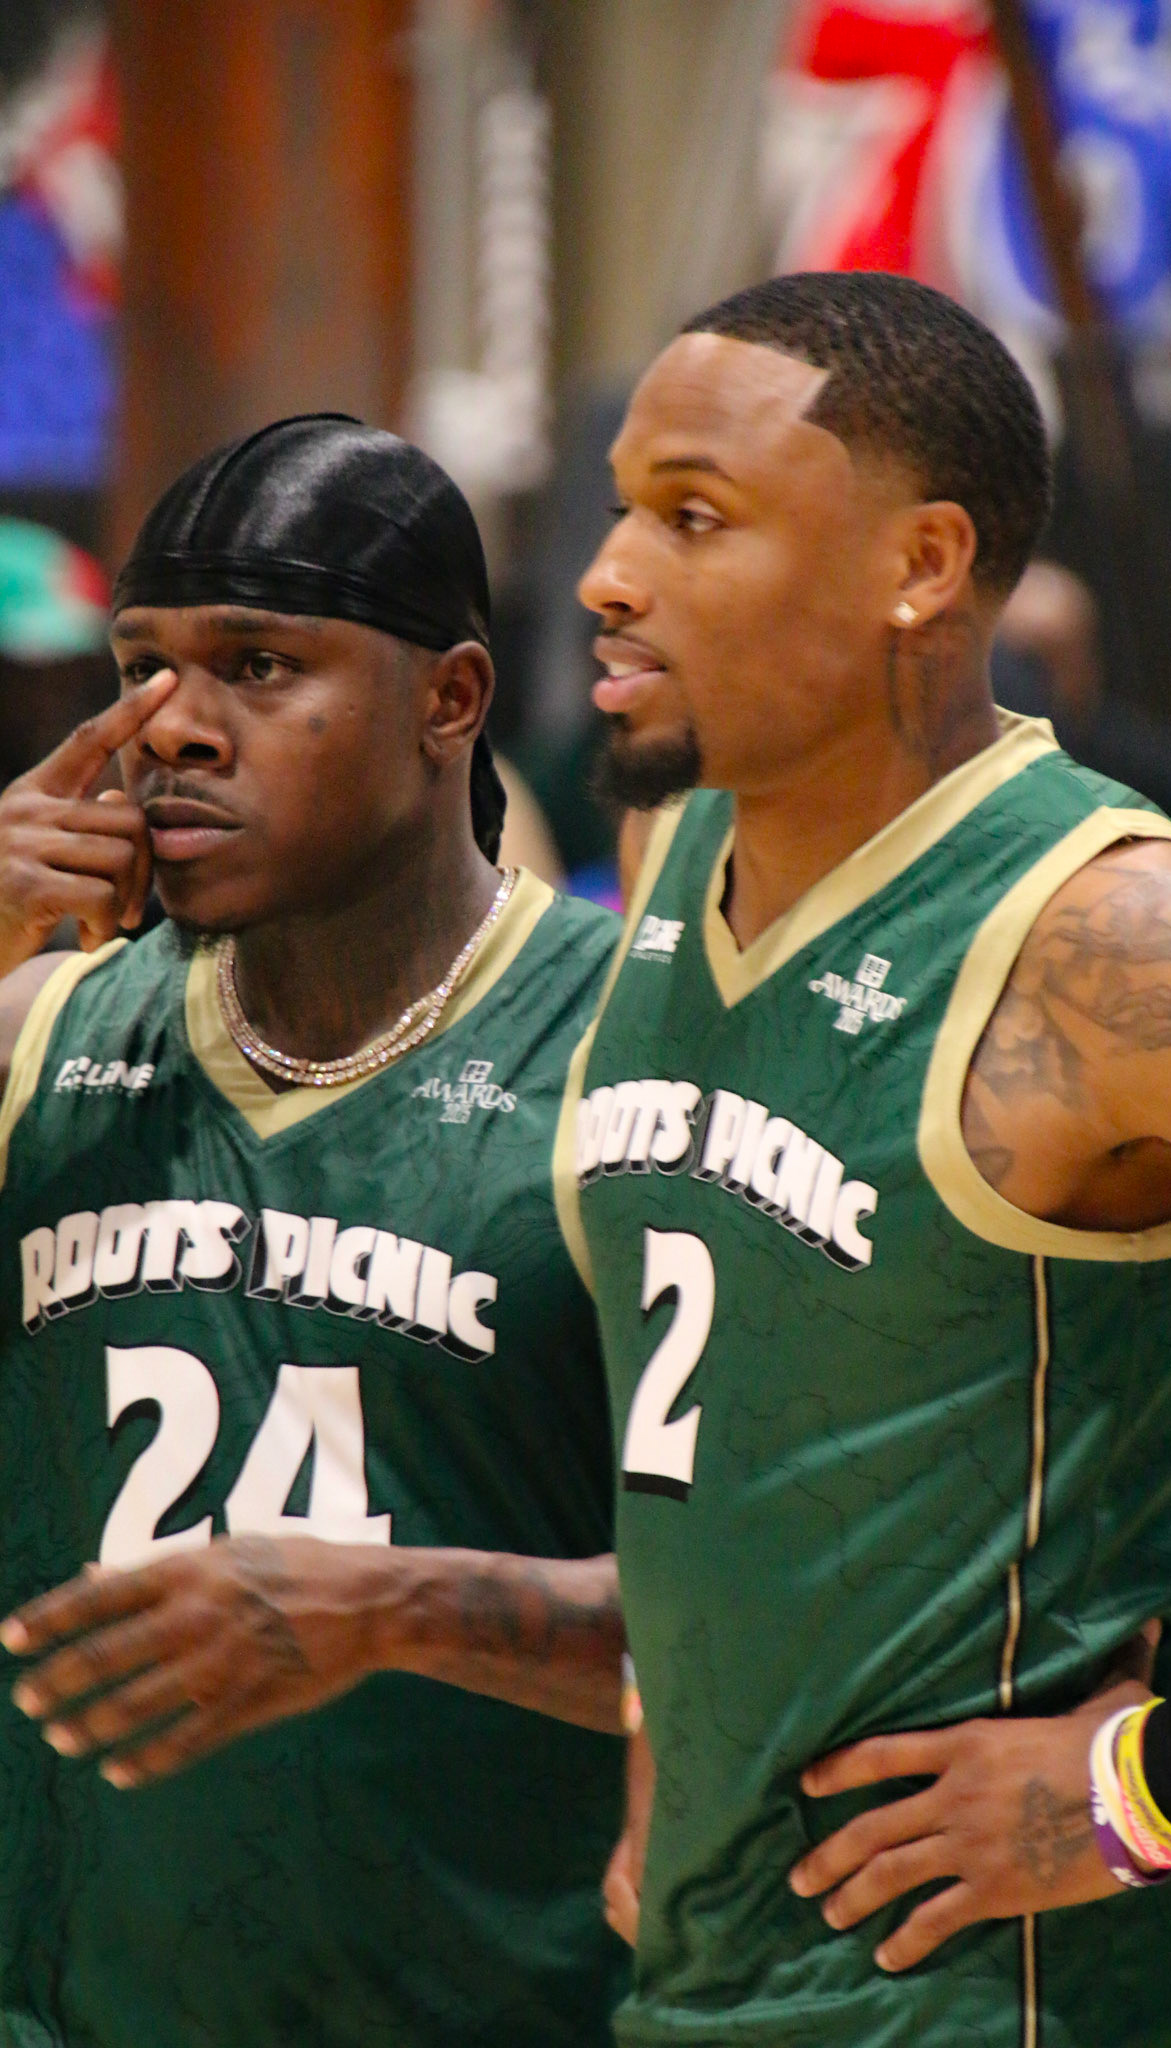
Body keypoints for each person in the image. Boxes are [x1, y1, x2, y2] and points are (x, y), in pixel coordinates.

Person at [564, 270, 1171, 2046]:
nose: (609, 572)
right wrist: (661, 1719)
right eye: (620, 507)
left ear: (918, 564)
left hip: (1046, 1994)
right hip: (723, 1975)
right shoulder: (676, 854)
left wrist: (1160, 1783)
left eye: (693, 516)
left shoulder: (1134, 950)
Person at [0, 415, 629, 2046]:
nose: (169, 729)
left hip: (503, 2004)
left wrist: (389, 1606)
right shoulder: (36, 1031)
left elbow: (766, 1627)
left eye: (258, 666)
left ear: (450, 700)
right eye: (141, 668)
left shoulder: (634, 1053)